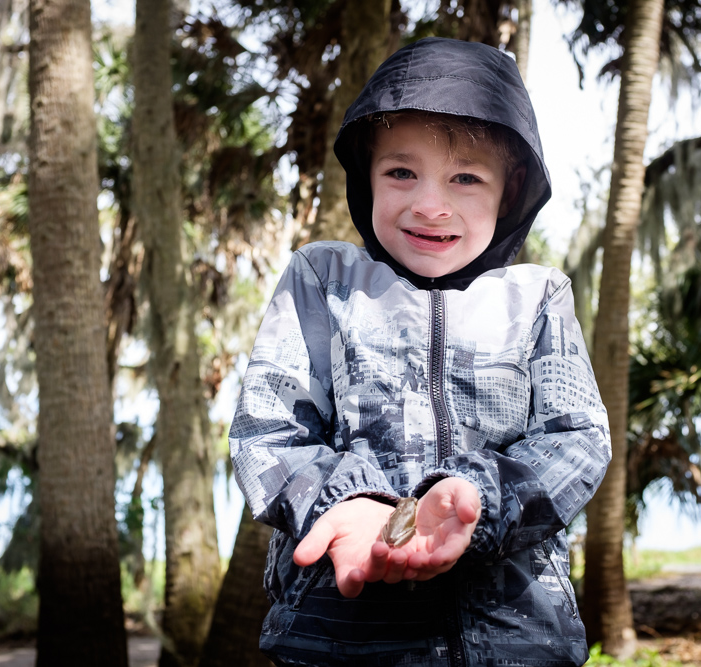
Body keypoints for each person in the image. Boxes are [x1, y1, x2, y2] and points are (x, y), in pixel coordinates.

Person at [231, 37, 611, 667]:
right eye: (400, 172)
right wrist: (345, 502)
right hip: (339, 635)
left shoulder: (539, 297)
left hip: (516, 638)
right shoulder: (323, 280)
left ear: (509, 190)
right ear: (366, 175)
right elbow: (269, 431)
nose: (430, 204)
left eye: (466, 177)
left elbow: (575, 440)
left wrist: (481, 499)